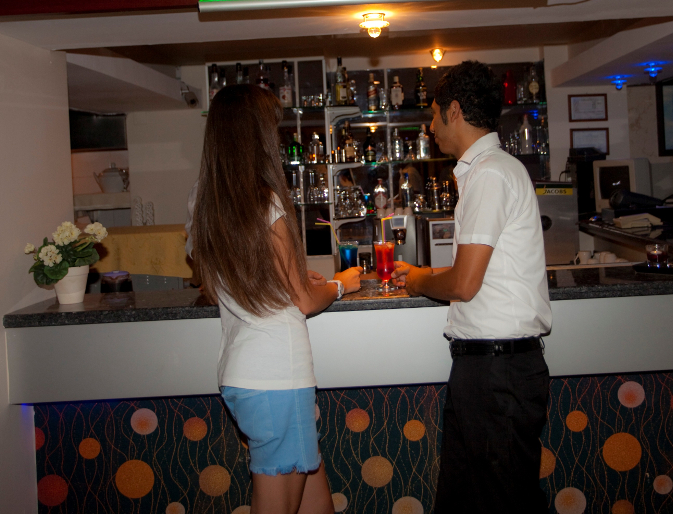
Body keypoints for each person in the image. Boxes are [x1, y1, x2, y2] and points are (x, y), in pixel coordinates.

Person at [190, 84, 362, 514]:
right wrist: (341, 284)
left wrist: (289, 276)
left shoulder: (208, 206)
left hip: (245, 373)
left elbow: (231, 280)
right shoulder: (266, 204)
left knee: (315, 501)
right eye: (272, 127)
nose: (279, 137)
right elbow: (304, 301)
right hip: (276, 377)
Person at [391, 61, 552, 513]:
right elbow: (477, 273)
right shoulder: (488, 171)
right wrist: (427, 274)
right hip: (489, 371)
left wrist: (418, 280)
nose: (430, 126)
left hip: (498, 373)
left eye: (434, 114)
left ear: (455, 111)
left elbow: (464, 283)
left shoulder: (489, 174)